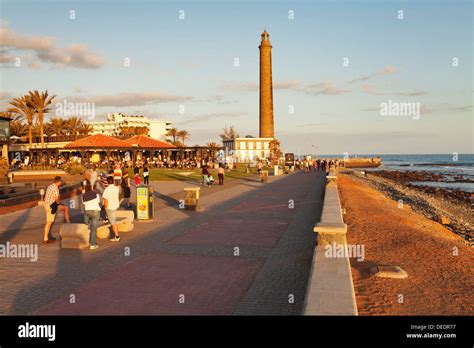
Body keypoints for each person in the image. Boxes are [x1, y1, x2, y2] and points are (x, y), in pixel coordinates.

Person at [43, 176, 70, 244]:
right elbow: (57, 201)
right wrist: (61, 204)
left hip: (47, 204)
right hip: (51, 206)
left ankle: (49, 236)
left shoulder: (50, 186)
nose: (61, 183)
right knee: (49, 222)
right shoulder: (56, 189)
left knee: (50, 221)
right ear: (59, 182)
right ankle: (45, 238)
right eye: (61, 182)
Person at [82, 180, 101, 250]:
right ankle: (92, 244)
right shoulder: (96, 194)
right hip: (95, 211)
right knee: (94, 229)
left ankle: (86, 223)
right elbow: (98, 202)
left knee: (86, 212)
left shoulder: (83, 196)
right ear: (91, 188)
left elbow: (84, 204)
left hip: (87, 211)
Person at [102, 176, 121, 242]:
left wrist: (105, 209)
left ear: (107, 181)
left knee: (113, 222)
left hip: (111, 207)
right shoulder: (116, 188)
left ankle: (117, 236)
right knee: (112, 218)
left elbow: (105, 202)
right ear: (113, 181)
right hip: (116, 205)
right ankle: (108, 219)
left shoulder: (106, 190)